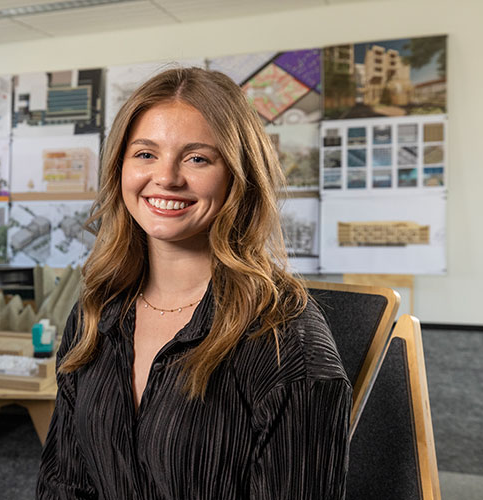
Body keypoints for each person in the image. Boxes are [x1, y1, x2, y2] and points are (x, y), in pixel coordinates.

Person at [37, 67, 351, 499]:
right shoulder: (97, 312)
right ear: (120, 168)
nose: (166, 177)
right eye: (145, 154)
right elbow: (64, 483)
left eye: (197, 158)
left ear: (238, 178)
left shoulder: (284, 341)